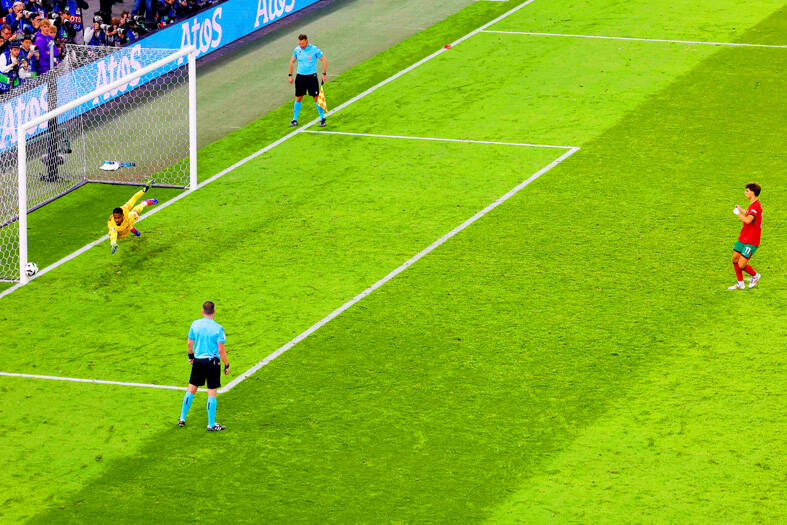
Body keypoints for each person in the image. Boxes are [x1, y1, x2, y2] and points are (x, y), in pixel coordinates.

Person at [178, 301, 229, 432]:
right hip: (212, 363)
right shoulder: (218, 328)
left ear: (202, 311)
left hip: (198, 362)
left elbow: (189, 344)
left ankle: (182, 418)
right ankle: (211, 424)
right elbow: (221, 349)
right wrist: (226, 364)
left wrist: (191, 357)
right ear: (214, 311)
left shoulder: (195, 324)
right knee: (211, 392)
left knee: (191, 389)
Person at [288, 33, 328, 127]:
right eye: (299, 43)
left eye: (302, 43)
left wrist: (324, 74)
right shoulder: (297, 50)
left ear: (306, 41)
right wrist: (290, 75)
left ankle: (322, 118)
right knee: (298, 98)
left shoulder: (314, 49)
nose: (301, 45)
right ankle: (294, 119)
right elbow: (291, 61)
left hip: (311, 77)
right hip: (300, 77)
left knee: (316, 98)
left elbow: (324, 60)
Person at [106, 182, 158, 254]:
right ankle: (132, 229)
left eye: (118, 217)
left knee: (136, 211)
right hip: (121, 234)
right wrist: (113, 244)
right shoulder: (112, 225)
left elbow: (134, 198)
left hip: (128, 221)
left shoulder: (124, 210)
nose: (116, 220)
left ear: (123, 215)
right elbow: (113, 235)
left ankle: (145, 203)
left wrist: (145, 189)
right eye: (115, 218)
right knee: (123, 229)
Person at [728, 183, 763, 290]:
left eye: (747, 191)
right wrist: (741, 209)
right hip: (743, 237)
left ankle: (755, 276)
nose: (745, 192)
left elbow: (748, 220)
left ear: (753, 193)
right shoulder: (753, 204)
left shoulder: (756, 206)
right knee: (735, 258)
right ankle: (740, 283)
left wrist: (737, 213)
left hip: (751, 240)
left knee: (741, 264)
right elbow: (749, 213)